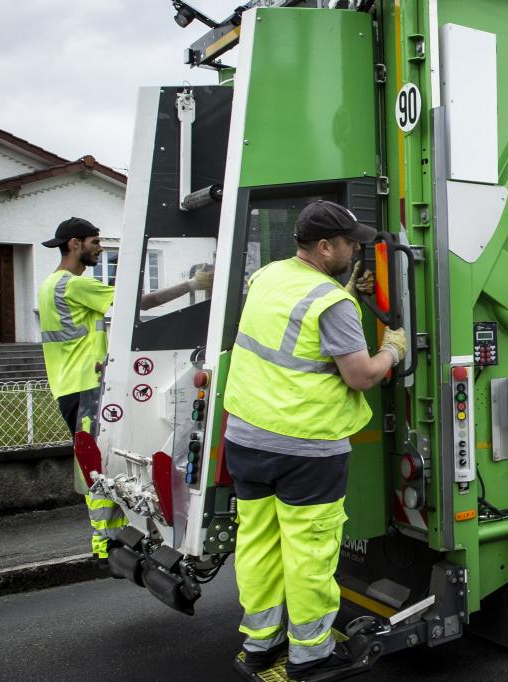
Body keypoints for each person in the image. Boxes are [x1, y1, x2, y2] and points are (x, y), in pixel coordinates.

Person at [222, 201, 406, 681]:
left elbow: (293, 326)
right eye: (349, 243)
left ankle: (261, 644)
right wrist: (392, 349)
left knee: (259, 544)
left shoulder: (269, 276)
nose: (356, 248)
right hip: (303, 447)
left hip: (245, 437)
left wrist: (343, 288)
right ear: (326, 246)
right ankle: (310, 656)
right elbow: (361, 375)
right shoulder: (334, 305)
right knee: (310, 551)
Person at [37, 217, 211, 559]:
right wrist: (193, 285)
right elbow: (140, 303)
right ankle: (106, 543)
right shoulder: (72, 285)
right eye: (95, 242)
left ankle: (112, 538)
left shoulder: (50, 285)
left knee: (97, 462)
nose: (100, 249)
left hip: (71, 383)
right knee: (97, 466)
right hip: (84, 387)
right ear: (74, 244)